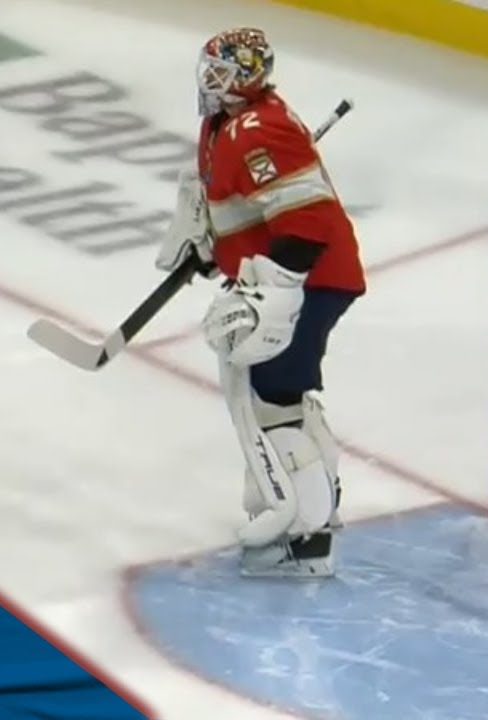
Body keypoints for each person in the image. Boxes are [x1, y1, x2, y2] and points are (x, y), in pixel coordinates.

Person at [155, 27, 366, 578]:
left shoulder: (260, 130)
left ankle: (309, 541)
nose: (209, 81)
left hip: (311, 280)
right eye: (208, 70)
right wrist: (218, 247)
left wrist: (270, 292)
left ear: (248, 77)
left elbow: (307, 225)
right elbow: (252, 207)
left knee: (274, 402)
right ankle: (319, 507)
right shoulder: (224, 123)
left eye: (221, 73)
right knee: (280, 397)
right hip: (297, 279)